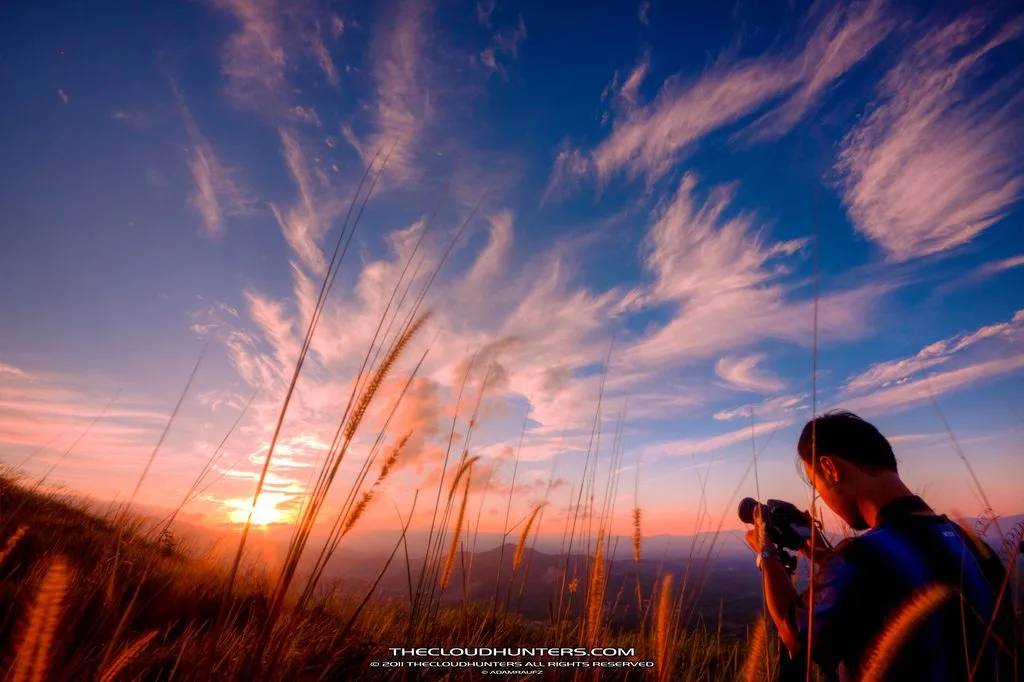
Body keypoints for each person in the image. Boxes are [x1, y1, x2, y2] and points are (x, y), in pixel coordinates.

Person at [745, 410, 1018, 681]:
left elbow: (794, 634)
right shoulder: (972, 544)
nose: (824, 501)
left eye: (818, 487)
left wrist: (766, 551)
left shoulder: (860, 557)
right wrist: (829, 558)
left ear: (830, 469)